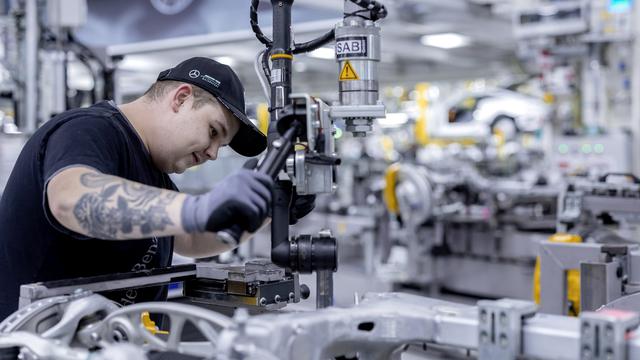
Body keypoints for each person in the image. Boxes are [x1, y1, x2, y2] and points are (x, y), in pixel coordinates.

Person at [0, 57, 313, 320]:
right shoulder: (88, 130)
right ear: (180, 98)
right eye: (213, 132)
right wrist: (196, 208)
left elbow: (188, 238)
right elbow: (71, 200)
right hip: (37, 345)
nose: (213, 153)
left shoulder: (154, 170)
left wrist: (267, 210)